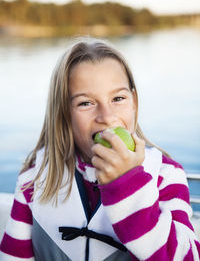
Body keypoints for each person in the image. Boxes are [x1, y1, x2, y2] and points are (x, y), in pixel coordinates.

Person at [0, 37, 199, 261]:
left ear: (134, 101)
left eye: (118, 98)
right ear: (64, 113)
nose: (107, 117)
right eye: (86, 103)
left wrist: (128, 185)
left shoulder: (166, 176)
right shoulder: (33, 180)